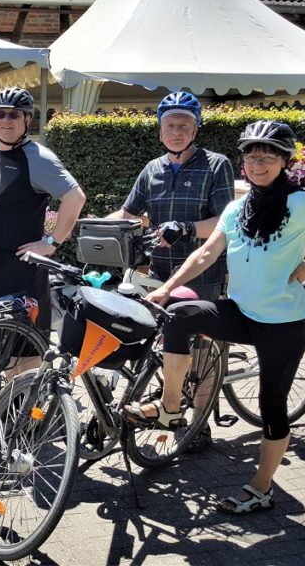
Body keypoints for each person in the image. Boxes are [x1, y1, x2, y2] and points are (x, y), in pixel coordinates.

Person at [126, 120, 305, 514]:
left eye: (268, 155)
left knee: (273, 406)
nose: (258, 162)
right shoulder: (237, 208)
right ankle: (172, 409)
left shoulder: (300, 203)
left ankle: (261, 488)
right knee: (179, 314)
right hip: (240, 311)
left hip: (283, 322)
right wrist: (168, 286)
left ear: (284, 161)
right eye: (252, 155)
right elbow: (205, 254)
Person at [106, 90, 235, 452]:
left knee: (202, 350)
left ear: (196, 129)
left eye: (184, 125)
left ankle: (200, 423)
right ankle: (166, 402)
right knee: (160, 342)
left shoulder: (215, 165)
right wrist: (89, 228)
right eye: (169, 125)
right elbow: (128, 212)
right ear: (160, 130)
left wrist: (190, 228)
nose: (176, 131)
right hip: (159, 271)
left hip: (202, 271)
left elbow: (227, 223)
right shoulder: (153, 169)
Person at [0, 86, 86, 330]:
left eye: (13, 114)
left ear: (27, 119)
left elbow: (75, 197)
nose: (5, 120)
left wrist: (51, 242)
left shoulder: (36, 157)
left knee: (24, 351)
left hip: (21, 272)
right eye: (0, 114)